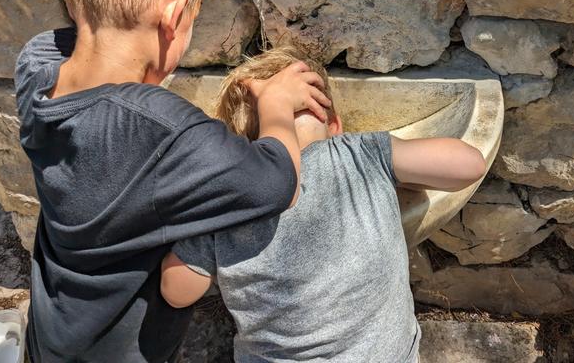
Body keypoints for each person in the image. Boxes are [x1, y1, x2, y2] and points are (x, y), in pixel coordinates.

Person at [14, 0, 331, 363]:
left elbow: (129, 22)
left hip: (55, 326)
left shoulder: (38, 63)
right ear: (176, 17)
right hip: (125, 348)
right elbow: (276, 184)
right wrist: (275, 105)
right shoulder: (165, 130)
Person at [160, 47, 488, 363]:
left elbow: (178, 291)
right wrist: (396, 166)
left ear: (240, 145)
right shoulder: (360, 152)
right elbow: (468, 165)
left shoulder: (228, 197)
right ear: (335, 124)